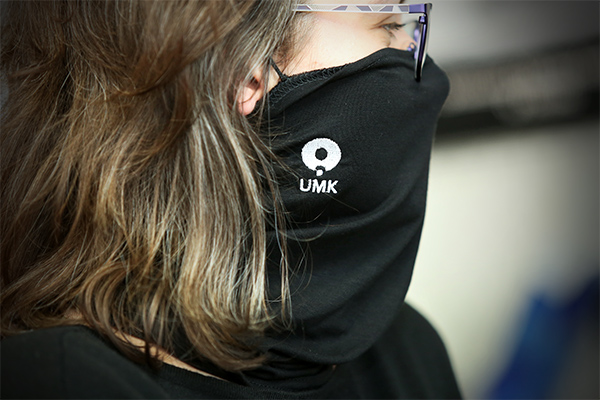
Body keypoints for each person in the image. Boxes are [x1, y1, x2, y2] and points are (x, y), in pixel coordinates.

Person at [1, 0, 462, 398]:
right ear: (244, 74)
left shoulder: (408, 350)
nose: (414, 54)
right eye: (388, 24)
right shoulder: (62, 383)